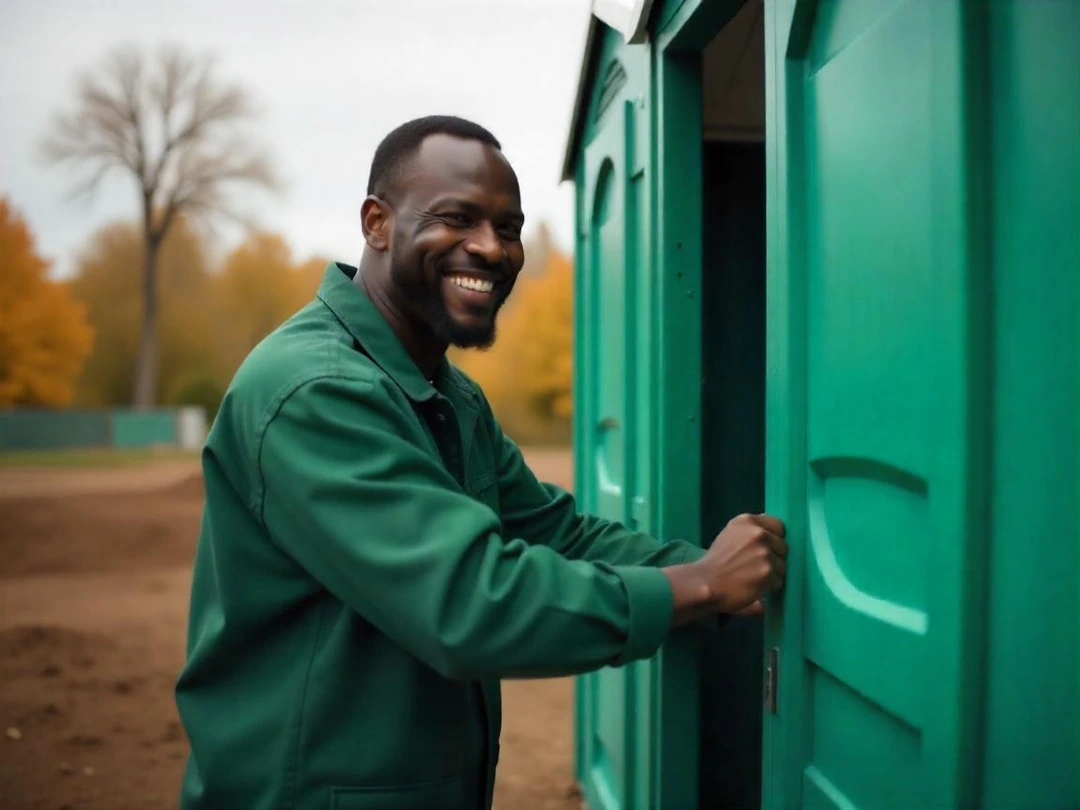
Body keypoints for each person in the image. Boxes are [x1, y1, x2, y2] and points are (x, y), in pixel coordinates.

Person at [175, 115, 787, 810]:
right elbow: (470, 605)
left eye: (510, 227)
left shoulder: (444, 390)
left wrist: (718, 566)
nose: (491, 249)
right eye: (457, 219)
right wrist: (701, 585)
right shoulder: (316, 391)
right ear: (376, 222)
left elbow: (557, 534)